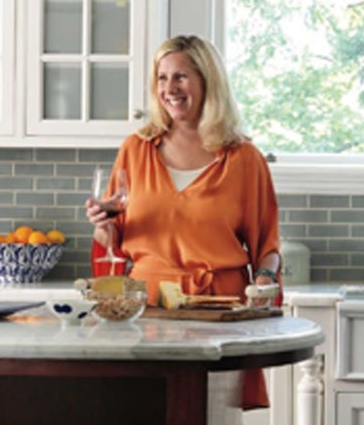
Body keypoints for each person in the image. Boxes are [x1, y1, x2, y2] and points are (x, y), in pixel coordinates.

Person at [86, 36, 281, 405]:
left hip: (220, 313)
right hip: (148, 311)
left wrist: (267, 280)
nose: (169, 89)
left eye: (180, 77)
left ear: (208, 81)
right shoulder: (136, 149)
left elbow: (267, 247)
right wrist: (102, 223)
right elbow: (113, 239)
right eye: (161, 78)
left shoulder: (243, 159)